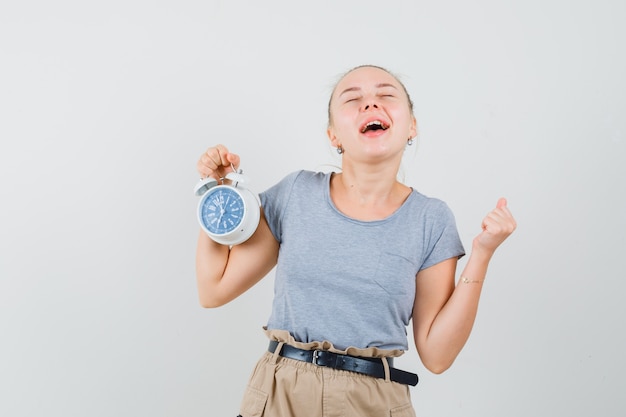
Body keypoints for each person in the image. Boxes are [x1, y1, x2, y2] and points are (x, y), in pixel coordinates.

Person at [195, 65, 517, 417]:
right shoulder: (295, 194)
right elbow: (214, 289)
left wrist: (483, 254)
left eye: (386, 95)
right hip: (279, 395)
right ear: (333, 135)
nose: (370, 105)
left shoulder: (431, 219)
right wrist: (218, 195)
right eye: (353, 99)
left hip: (373, 402)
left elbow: (437, 356)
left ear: (412, 126)